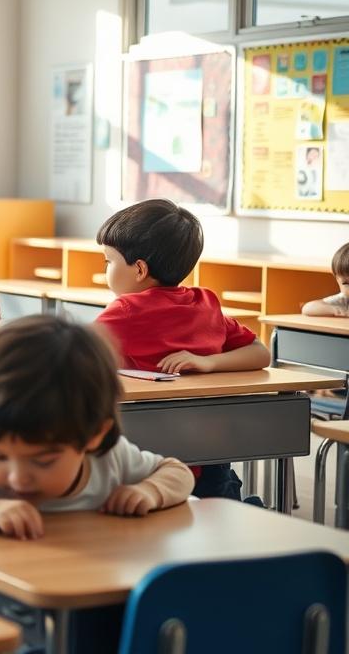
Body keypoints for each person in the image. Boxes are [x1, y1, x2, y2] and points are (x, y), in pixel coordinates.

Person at [0, 316, 194, 540]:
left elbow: (178, 473)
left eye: (43, 460)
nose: (18, 477)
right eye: (0, 456)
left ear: (94, 435)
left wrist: (149, 491)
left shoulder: (110, 458)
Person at [94, 198, 270, 500]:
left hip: (148, 457)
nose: (106, 268)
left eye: (109, 261)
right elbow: (261, 353)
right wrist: (208, 362)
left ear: (139, 269)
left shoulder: (125, 309)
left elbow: (71, 353)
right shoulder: (204, 303)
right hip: (210, 450)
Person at [301, 242, 349, 318]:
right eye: (346, 283)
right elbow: (307, 308)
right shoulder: (344, 300)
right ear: (337, 280)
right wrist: (335, 310)